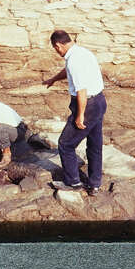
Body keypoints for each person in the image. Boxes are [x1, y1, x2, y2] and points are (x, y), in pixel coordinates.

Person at [43, 30, 107, 195]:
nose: (56, 51)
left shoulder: (74, 61)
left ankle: (73, 182)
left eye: (55, 48)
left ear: (58, 45)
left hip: (88, 105)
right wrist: (54, 79)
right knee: (95, 144)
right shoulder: (82, 52)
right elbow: (68, 71)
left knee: (66, 144)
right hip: (99, 101)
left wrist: (80, 115)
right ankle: (94, 184)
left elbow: (81, 91)